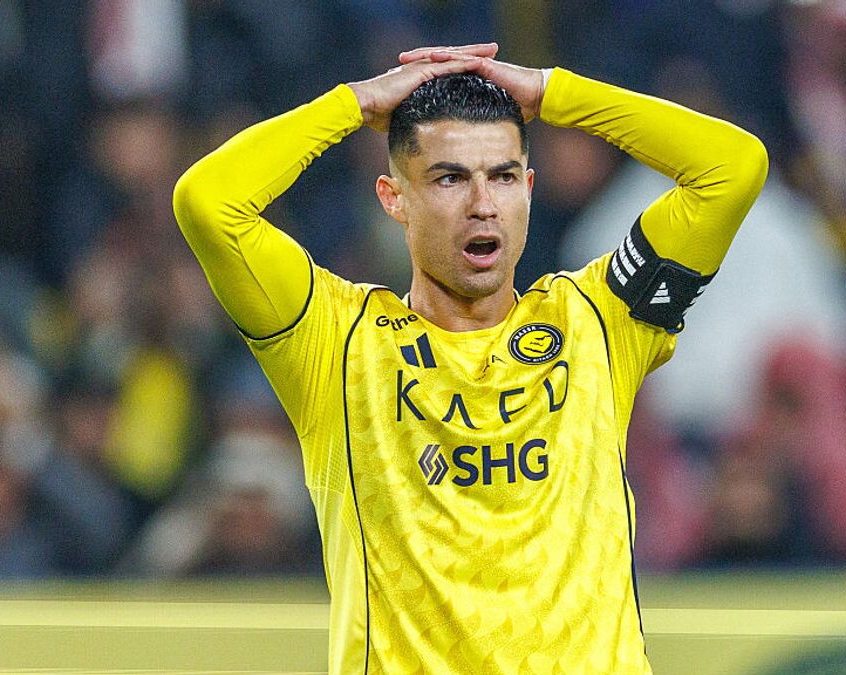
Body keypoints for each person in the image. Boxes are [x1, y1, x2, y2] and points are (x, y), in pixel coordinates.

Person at [174, 42, 766, 674]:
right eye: (450, 178)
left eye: (504, 176)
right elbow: (209, 202)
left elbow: (732, 167)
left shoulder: (597, 321)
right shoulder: (336, 341)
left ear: (529, 189)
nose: (483, 204)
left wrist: (553, 93)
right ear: (393, 197)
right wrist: (357, 104)